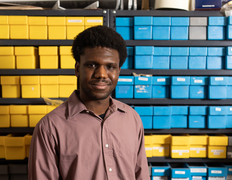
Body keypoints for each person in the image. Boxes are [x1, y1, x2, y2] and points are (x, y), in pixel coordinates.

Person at [28, 25, 149, 180]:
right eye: (92, 65)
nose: (101, 74)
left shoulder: (132, 119)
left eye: (110, 67)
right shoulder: (50, 127)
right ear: (77, 69)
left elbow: (141, 175)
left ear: (118, 71)